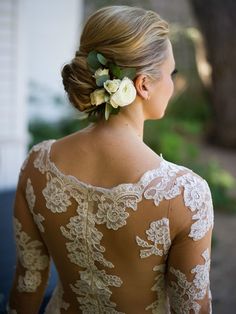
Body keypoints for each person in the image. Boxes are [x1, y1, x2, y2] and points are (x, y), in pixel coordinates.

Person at [8, 5, 214, 314]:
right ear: (143, 84)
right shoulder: (185, 194)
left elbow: (27, 282)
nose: (173, 84)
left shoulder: (37, 163)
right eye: (171, 73)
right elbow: (192, 310)